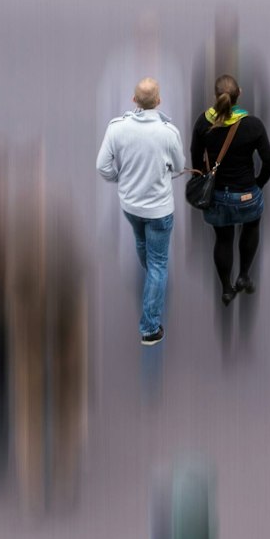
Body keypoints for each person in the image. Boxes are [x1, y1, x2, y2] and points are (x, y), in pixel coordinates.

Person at [96, 77, 187, 345]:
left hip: (131, 206)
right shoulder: (169, 133)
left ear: (134, 100)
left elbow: (103, 166)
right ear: (158, 102)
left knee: (141, 244)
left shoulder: (117, 129)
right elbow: (180, 167)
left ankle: (151, 286)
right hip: (159, 209)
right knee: (159, 263)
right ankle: (150, 327)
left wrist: (120, 179)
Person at [191, 75, 270, 305]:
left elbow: (196, 157)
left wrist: (203, 178)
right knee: (251, 228)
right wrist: (259, 183)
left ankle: (226, 288)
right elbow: (268, 160)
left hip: (217, 195)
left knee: (223, 239)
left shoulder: (203, 123)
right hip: (247, 192)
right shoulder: (253, 125)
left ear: (216, 96)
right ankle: (244, 275)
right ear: (240, 94)